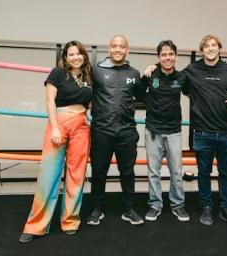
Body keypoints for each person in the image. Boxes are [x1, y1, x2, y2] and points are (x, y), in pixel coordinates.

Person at [19, 40, 93, 243]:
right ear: (65, 58)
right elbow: (50, 101)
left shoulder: (88, 76)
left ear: (84, 56)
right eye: (71, 54)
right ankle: (36, 226)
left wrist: (89, 115)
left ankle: (70, 221)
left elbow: (90, 101)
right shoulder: (57, 73)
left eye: (79, 53)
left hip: (82, 126)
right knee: (48, 175)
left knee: (76, 175)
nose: (76, 57)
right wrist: (56, 127)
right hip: (59, 122)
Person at [184, 34, 227, 226]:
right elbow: (178, 82)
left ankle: (226, 208)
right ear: (202, 50)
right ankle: (206, 207)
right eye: (206, 46)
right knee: (203, 171)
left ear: (220, 48)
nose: (211, 49)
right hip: (203, 131)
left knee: (225, 171)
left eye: (214, 45)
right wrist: (153, 69)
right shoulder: (192, 70)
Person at [86, 35, 144, 226]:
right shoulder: (96, 71)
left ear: (127, 50)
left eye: (122, 46)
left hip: (127, 131)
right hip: (102, 130)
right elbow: (83, 94)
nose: (118, 49)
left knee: (127, 172)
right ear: (109, 49)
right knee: (99, 170)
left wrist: (154, 76)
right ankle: (96, 209)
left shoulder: (134, 74)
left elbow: (144, 96)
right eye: (114, 46)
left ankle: (129, 209)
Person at [139, 40, 190, 222]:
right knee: (154, 171)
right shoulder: (150, 74)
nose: (167, 58)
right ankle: (155, 205)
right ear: (158, 57)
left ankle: (178, 205)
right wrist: (151, 105)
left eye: (170, 54)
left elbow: (194, 92)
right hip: (153, 130)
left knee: (176, 171)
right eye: (163, 55)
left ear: (175, 56)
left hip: (174, 131)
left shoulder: (183, 77)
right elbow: (137, 92)